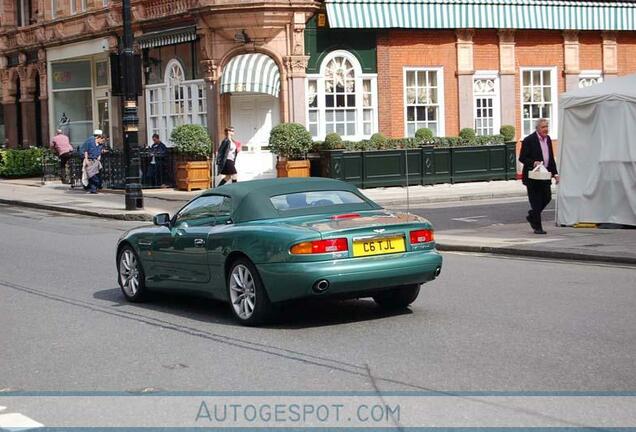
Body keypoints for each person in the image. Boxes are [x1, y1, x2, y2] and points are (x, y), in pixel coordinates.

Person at [519, 118, 560, 234]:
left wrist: (555, 173)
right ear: (537, 128)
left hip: (545, 175)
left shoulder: (548, 140)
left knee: (547, 197)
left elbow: (551, 158)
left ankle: (532, 215)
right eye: (543, 127)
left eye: (547, 127)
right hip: (533, 176)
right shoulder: (529, 140)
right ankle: (538, 227)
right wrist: (533, 162)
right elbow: (522, 158)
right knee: (536, 202)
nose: (545, 129)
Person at [81, 129, 106, 194]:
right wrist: (86, 159)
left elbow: (100, 150)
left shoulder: (100, 144)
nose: (103, 142)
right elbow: (85, 150)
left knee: (97, 173)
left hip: (96, 160)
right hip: (90, 160)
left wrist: (99, 156)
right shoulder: (90, 141)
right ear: (99, 137)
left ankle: (93, 189)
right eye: (102, 140)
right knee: (92, 174)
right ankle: (95, 185)